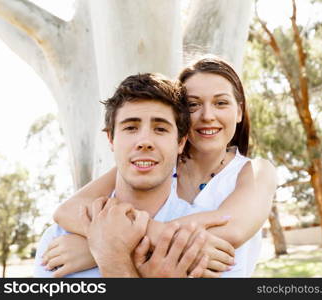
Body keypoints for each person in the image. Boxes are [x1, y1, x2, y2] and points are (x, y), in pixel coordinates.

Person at [43, 56, 278, 277]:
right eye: (194, 105)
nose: (208, 115)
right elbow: (67, 210)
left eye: (221, 103)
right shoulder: (155, 163)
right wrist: (110, 241)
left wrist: (99, 247)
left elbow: (231, 231)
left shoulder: (255, 172)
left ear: (239, 110)